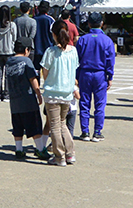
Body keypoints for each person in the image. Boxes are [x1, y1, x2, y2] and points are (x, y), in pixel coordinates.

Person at [41, 20, 79, 166]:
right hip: (67, 92)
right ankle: (70, 153)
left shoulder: (51, 51)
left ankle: (59, 156)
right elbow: (74, 70)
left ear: (54, 35)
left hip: (52, 92)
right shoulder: (73, 51)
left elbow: (45, 72)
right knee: (62, 124)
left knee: (55, 125)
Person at [5, 37, 49, 160]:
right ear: (26, 50)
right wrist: (39, 94)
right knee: (34, 126)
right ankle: (40, 149)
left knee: (17, 127)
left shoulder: (9, 62)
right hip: (28, 101)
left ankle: (19, 149)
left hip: (15, 101)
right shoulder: (26, 61)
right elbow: (33, 79)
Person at [76, 12, 115, 142]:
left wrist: (76, 76)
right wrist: (110, 76)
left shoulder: (83, 39)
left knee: (84, 102)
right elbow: (110, 60)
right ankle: (97, 131)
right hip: (100, 74)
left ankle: (85, 131)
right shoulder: (107, 40)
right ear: (102, 24)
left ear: (88, 24)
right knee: (100, 104)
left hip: (85, 73)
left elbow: (77, 59)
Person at [0, 5, 17, 102]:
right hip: (9, 51)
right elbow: (15, 38)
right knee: (8, 74)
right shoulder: (12, 25)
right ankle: (7, 94)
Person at [33, 0, 55, 76]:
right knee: (48, 71)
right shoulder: (50, 20)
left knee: (36, 71)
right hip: (48, 48)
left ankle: (37, 86)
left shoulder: (34, 19)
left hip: (36, 48)